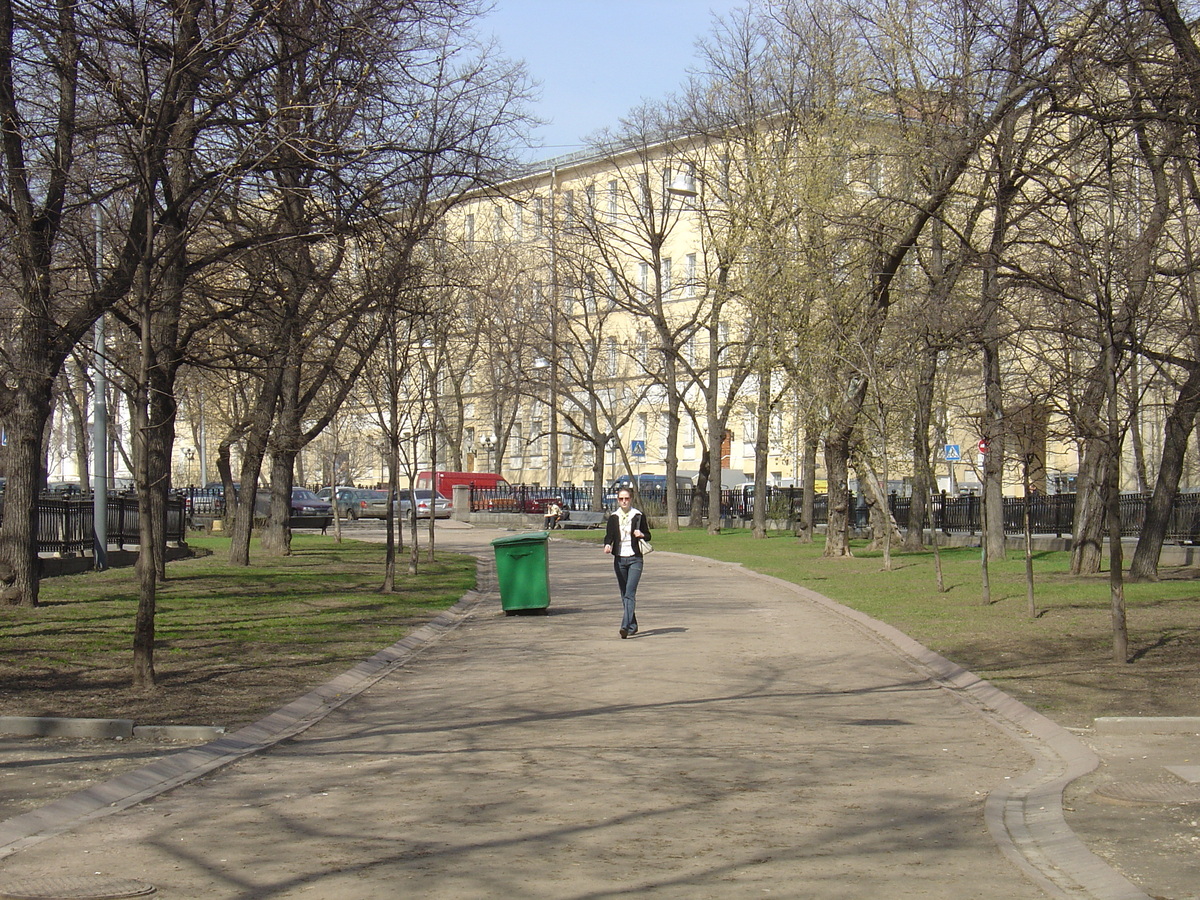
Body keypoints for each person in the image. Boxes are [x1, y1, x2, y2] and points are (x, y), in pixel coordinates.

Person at [603, 487, 651, 639]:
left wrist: (641, 534)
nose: (624, 501)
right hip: (619, 559)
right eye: (621, 499)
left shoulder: (638, 516)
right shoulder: (614, 517)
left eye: (627, 499)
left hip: (635, 558)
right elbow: (608, 535)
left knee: (630, 593)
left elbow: (648, 535)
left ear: (631, 499)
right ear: (618, 500)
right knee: (624, 593)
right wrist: (607, 544)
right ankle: (633, 624)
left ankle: (625, 626)